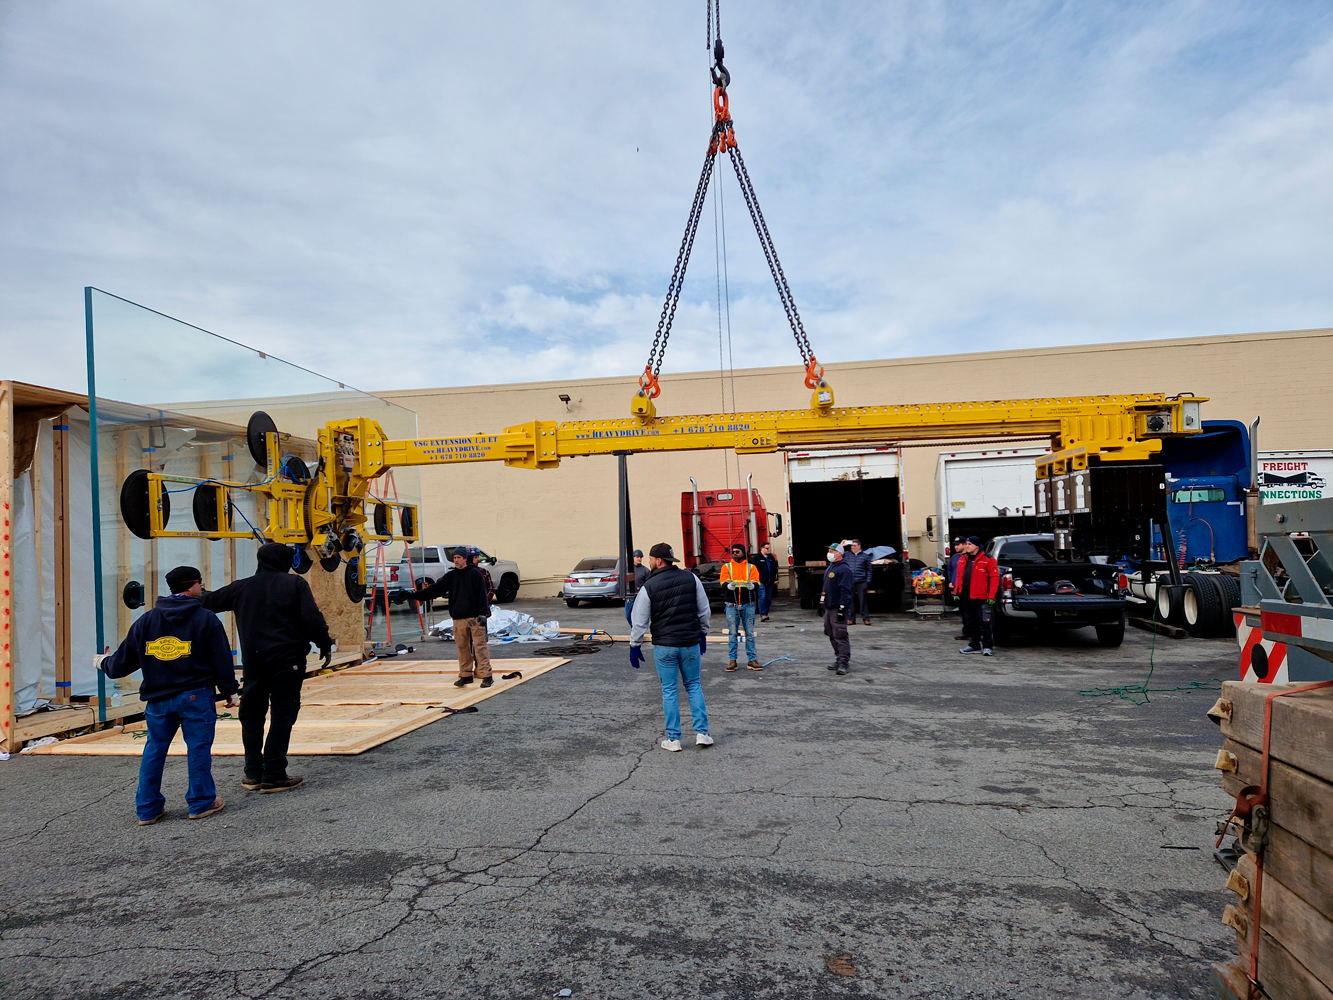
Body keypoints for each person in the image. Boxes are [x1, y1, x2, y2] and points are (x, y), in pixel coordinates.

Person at [100, 565, 238, 824]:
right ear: (192, 586)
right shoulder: (206, 619)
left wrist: (103, 662)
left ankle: (148, 809)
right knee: (198, 748)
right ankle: (201, 803)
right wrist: (229, 690)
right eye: (200, 583)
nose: (203, 587)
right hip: (195, 696)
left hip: (158, 700)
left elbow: (121, 664)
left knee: (154, 750)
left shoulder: (146, 620)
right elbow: (221, 658)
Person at [201, 543, 333, 794]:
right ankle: (273, 773)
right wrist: (325, 645)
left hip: (254, 664)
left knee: (251, 716)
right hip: (288, 663)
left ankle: (253, 773)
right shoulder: (294, 585)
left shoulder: (242, 587)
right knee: (283, 714)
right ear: (286, 561)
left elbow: (208, 601)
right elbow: (313, 619)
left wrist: (196, 589)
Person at [629, 542, 712, 751]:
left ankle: (673, 739)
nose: (648, 562)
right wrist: (702, 633)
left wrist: (635, 645)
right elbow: (704, 609)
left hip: (665, 645)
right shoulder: (691, 578)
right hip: (689, 643)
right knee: (694, 685)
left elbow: (639, 619)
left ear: (658, 561)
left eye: (650, 559)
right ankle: (703, 734)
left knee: (669, 690)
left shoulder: (649, 586)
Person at [410, 546, 493, 687]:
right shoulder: (451, 576)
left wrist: (482, 613)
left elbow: (482, 594)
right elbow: (435, 590)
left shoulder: (475, 574)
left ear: (465, 559)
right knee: (462, 648)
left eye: (459, 557)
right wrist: (413, 595)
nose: (456, 560)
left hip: (474, 618)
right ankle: (466, 675)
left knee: (480, 647)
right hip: (458, 618)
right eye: (454, 558)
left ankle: (486, 675)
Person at [952, 535, 999, 655]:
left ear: (976, 546)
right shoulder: (963, 559)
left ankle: (987, 646)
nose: (967, 546)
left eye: (969, 544)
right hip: (966, 596)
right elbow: (959, 576)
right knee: (971, 622)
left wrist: (992, 596)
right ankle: (974, 645)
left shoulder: (988, 559)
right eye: (966, 544)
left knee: (984, 622)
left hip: (982, 597)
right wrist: (957, 591)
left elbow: (994, 578)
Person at [719, 542, 762, 671]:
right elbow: (723, 581)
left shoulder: (751, 567)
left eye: (737, 551)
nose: (734, 554)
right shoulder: (726, 567)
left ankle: (752, 660)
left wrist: (753, 586)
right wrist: (728, 586)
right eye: (733, 552)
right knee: (732, 634)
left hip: (747, 604)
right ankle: (732, 660)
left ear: (744, 553)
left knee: (749, 633)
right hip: (731, 605)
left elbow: (757, 582)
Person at [822, 542, 854, 675]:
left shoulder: (844, 569)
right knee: (830, 633)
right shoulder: (831, 567)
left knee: (840, 634)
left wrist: (842, 608)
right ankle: (838, 657)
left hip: (837, 608)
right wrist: (821, 603)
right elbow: (826, 587)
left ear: (839, 553)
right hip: (829, 607)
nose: (829, 553)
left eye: (831, 551)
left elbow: (846, 590)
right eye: (828, 551)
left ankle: (844, 663)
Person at [842, 539, 872, 625]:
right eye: (851, 546)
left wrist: (867, 581)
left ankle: (866, 619)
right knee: (850, 601)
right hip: (850, 581)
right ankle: (851, 619)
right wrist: (842, 545)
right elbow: (837, 555)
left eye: (854, 546)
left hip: (861, 582)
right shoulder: (846, 555)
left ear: (859, 546)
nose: (852, 547)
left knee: (863, 601)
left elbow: (869, 570)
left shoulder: (865, 556)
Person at [945, 536, 967, 637]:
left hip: (966, 589)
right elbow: (950, 569)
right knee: (963, 611)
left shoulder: (969, 557)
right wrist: (950, 581)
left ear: (964, 544)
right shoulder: (955, 557)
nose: (955, 547)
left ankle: (974, 633)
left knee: (970, 613)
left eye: (958, 545)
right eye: (955, 545)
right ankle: (966, 632)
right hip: (957, 590)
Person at [753, 541, 780, 621]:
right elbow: (754, 569)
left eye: (769, 548)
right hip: (761, 581)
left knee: (768, 598)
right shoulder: (757, 558)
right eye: (767, 548)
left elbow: (774, 568)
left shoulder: (771, 557)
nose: (768, 550)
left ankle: (765, 613)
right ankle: (762, 614)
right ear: (762, 548)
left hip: (770, 581)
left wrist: (775, 578)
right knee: (762, 597)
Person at [623, 549, 649, 626]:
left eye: (641, 557)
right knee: (628, 616)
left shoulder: (645, 571)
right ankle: (634, 628)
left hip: (640, 597)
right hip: (629, 597)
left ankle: (637, 630)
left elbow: (648, 584)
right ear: (633, 558)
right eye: (637, 557)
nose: (639, 559)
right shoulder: (626, 569)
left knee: (639, 616)